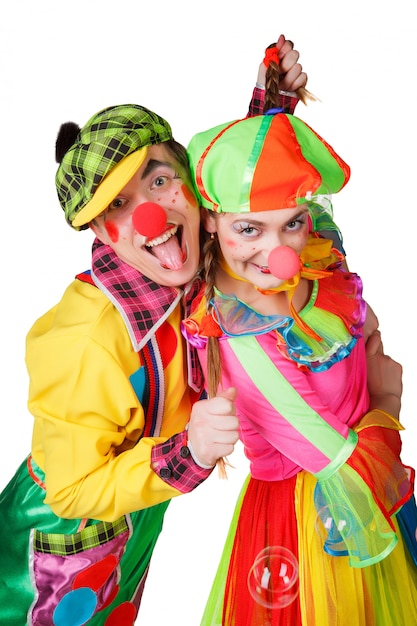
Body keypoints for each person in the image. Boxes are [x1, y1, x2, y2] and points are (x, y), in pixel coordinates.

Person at [0, 36, 312, 626]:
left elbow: (238, 213)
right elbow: (71, 492)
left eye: (159, 181)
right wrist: (187, 452)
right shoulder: (84, 338)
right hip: (52, 547)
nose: (150, 215)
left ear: (190, 185)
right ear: (103, 236)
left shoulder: (184, 257)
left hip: (134, 519)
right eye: (119, 206)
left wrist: (272, 110)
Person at [183, 111, 417, 625]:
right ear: (210, 219)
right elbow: (341, 466)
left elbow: (363, 323)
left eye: (292, 221)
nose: (279, 252)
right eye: (249, 229)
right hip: (313, 524)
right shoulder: (245, 344)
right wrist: (388, 399)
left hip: (360, 502)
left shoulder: (312, 255)